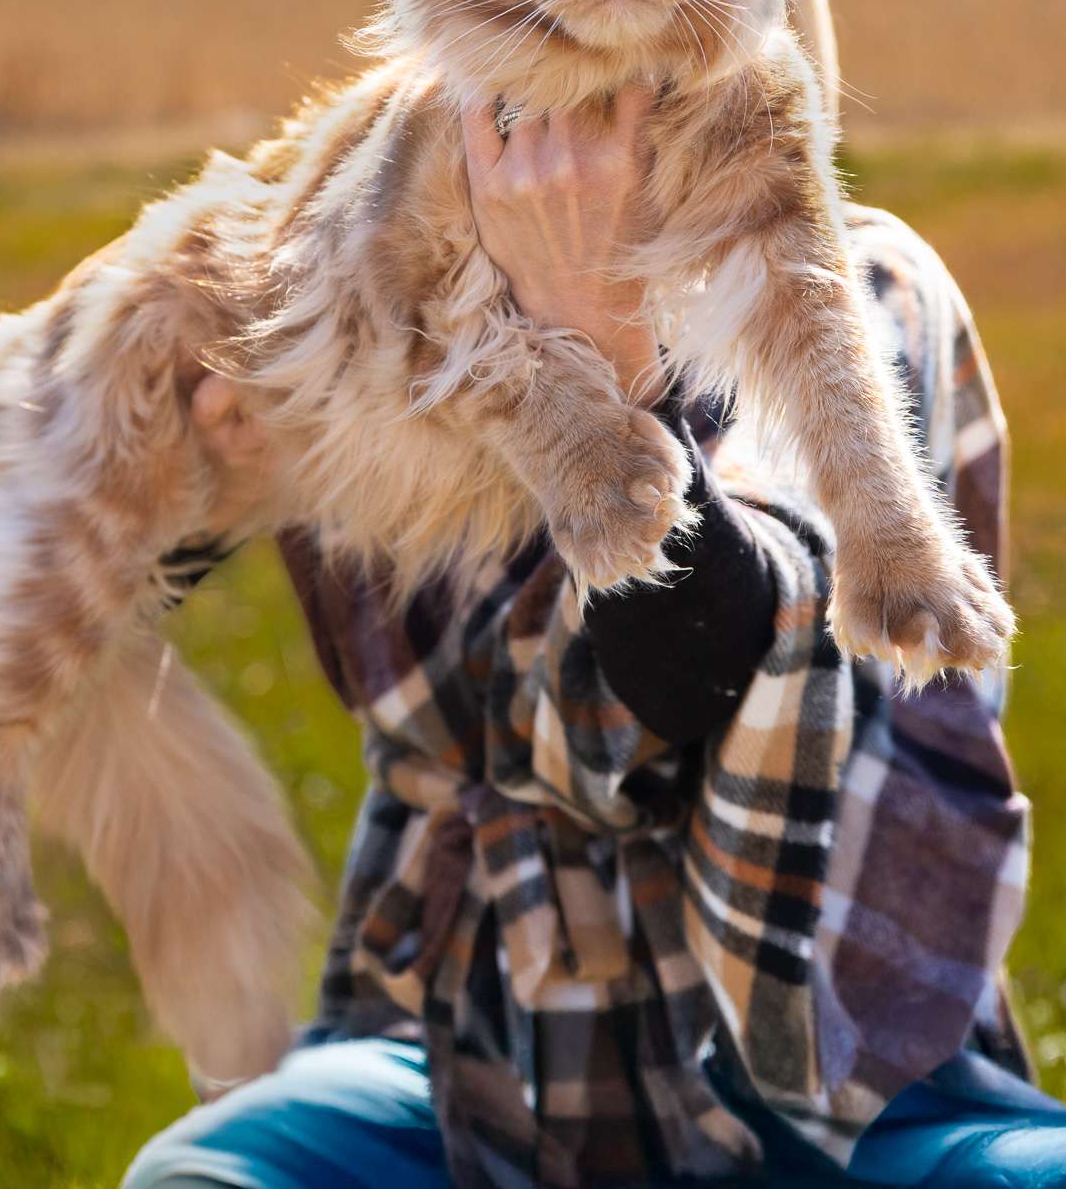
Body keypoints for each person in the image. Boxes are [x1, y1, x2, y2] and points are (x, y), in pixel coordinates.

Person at [124, 95, 1065, 1188]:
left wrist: (592, 322)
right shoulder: (385, 272)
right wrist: (205, 476)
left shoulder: (855, 284)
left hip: (824, 1050)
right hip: (469, 1045)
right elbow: (97, 571)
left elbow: (712, 672)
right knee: (207, 1175)